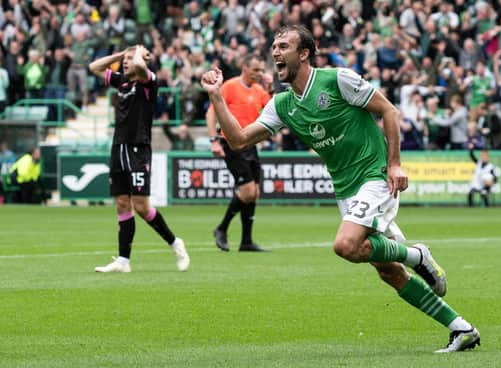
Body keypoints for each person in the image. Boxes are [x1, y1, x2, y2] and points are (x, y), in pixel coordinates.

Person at [201, 25, 480, 353]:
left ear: (304, 53)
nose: (275, 52)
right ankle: (461, 329)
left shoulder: (337, 80)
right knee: (387, 271)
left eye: (284, 46)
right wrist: (217, 96)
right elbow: (237, 139)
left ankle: (417, 254)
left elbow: (389, 110)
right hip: (346, 190)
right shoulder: (282, 104)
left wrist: (394, 164)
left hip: (375, 176)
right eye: (273, 46)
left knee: (345, 245)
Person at [89, 45, 189, 273]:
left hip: (138, 149)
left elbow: (140, 67)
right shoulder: (121, 82)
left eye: (129, 59)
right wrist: (120, 54)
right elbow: (94, 67)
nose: (126, 63)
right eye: (124, 60)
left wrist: (138, 56)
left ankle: (175, 243)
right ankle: (124, 261)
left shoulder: (148, 82)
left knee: (142, 207)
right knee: (122, 204)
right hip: (118, 148)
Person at [206, 54, 271, 252]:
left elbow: (271, 109)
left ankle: (246, 241)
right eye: (256, 70)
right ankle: (221, 228)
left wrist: (271, 89)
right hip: (231, 143)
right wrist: (213, 140)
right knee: (247, 191)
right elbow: (211, 112)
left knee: (254, 193)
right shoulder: (230, 86)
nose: (259, 74)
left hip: (251, 144)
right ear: (244, 67)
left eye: (261, 70)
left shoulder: (259, 90)